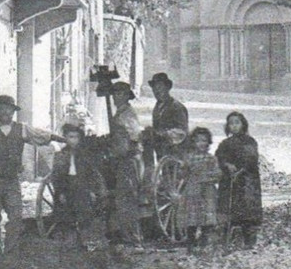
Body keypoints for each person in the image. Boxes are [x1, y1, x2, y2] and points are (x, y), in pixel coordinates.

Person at [0, 95, 62, 257]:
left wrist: (64, 139)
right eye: (2, 109)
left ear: (13, 111)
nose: (5, 112)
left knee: (16, 217)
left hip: (11, 180)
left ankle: (10, 255)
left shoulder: (22, 129)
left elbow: (43, 135)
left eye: (8, 109)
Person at [51, 124, 107, 249]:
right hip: (67, 187)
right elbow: (57, 177)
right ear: (65, 138)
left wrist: (92, 190)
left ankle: (85, 240)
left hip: (82, 187)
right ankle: (69, 241)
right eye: (71, 137)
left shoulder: (85, 155)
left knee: (85, 213)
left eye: (76, 137)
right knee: (66, 215)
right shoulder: (60, 155)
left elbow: (92, 174)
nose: (74, 140)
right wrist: (60, 193)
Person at [216, 111, 263, 248]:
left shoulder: (250, 141)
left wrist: (240, 170)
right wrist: (226, 165)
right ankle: (227, 236)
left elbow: (251, 159)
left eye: (237, 123)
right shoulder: (225, 143)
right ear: (227, 126)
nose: (234, 126)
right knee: (227, 207)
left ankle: (249, 239)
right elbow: (219, 157)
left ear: (243, 124)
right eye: (231, 123)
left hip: (246, 180)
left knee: (246, 210)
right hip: (229, 179)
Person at [108, 80, 145, 249]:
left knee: (127, 199)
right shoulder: (119, 113)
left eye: (121, 94)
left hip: (129, 161)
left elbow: (134, 137)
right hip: (123, 159)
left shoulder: (127, 114)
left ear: (127, 96)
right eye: (115, 94)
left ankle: (135, 239)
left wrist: (117, 150)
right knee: (122, 198)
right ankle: (124, 234)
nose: (117, 97)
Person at [178, 127, 220, 251]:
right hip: (192, 191)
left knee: (207, 217)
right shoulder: (189, 158)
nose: (202, 143)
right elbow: (183, 174)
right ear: (194, 143)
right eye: (199, 141)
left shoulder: (211, 158)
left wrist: (209, 177)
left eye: (204, 141)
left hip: (207, 191)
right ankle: (190, 242)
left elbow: (217, 174)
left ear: (209, 142)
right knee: (192, 217)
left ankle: (204, 241)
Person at [144, 72, 189, 164]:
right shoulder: (158, 107)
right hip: (162, 149)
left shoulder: (177, 107)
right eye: (154, 88)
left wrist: (162, 133)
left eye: (160, 87)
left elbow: (181, 131)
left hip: (176, 151)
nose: (157, 91)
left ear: (167, 88)